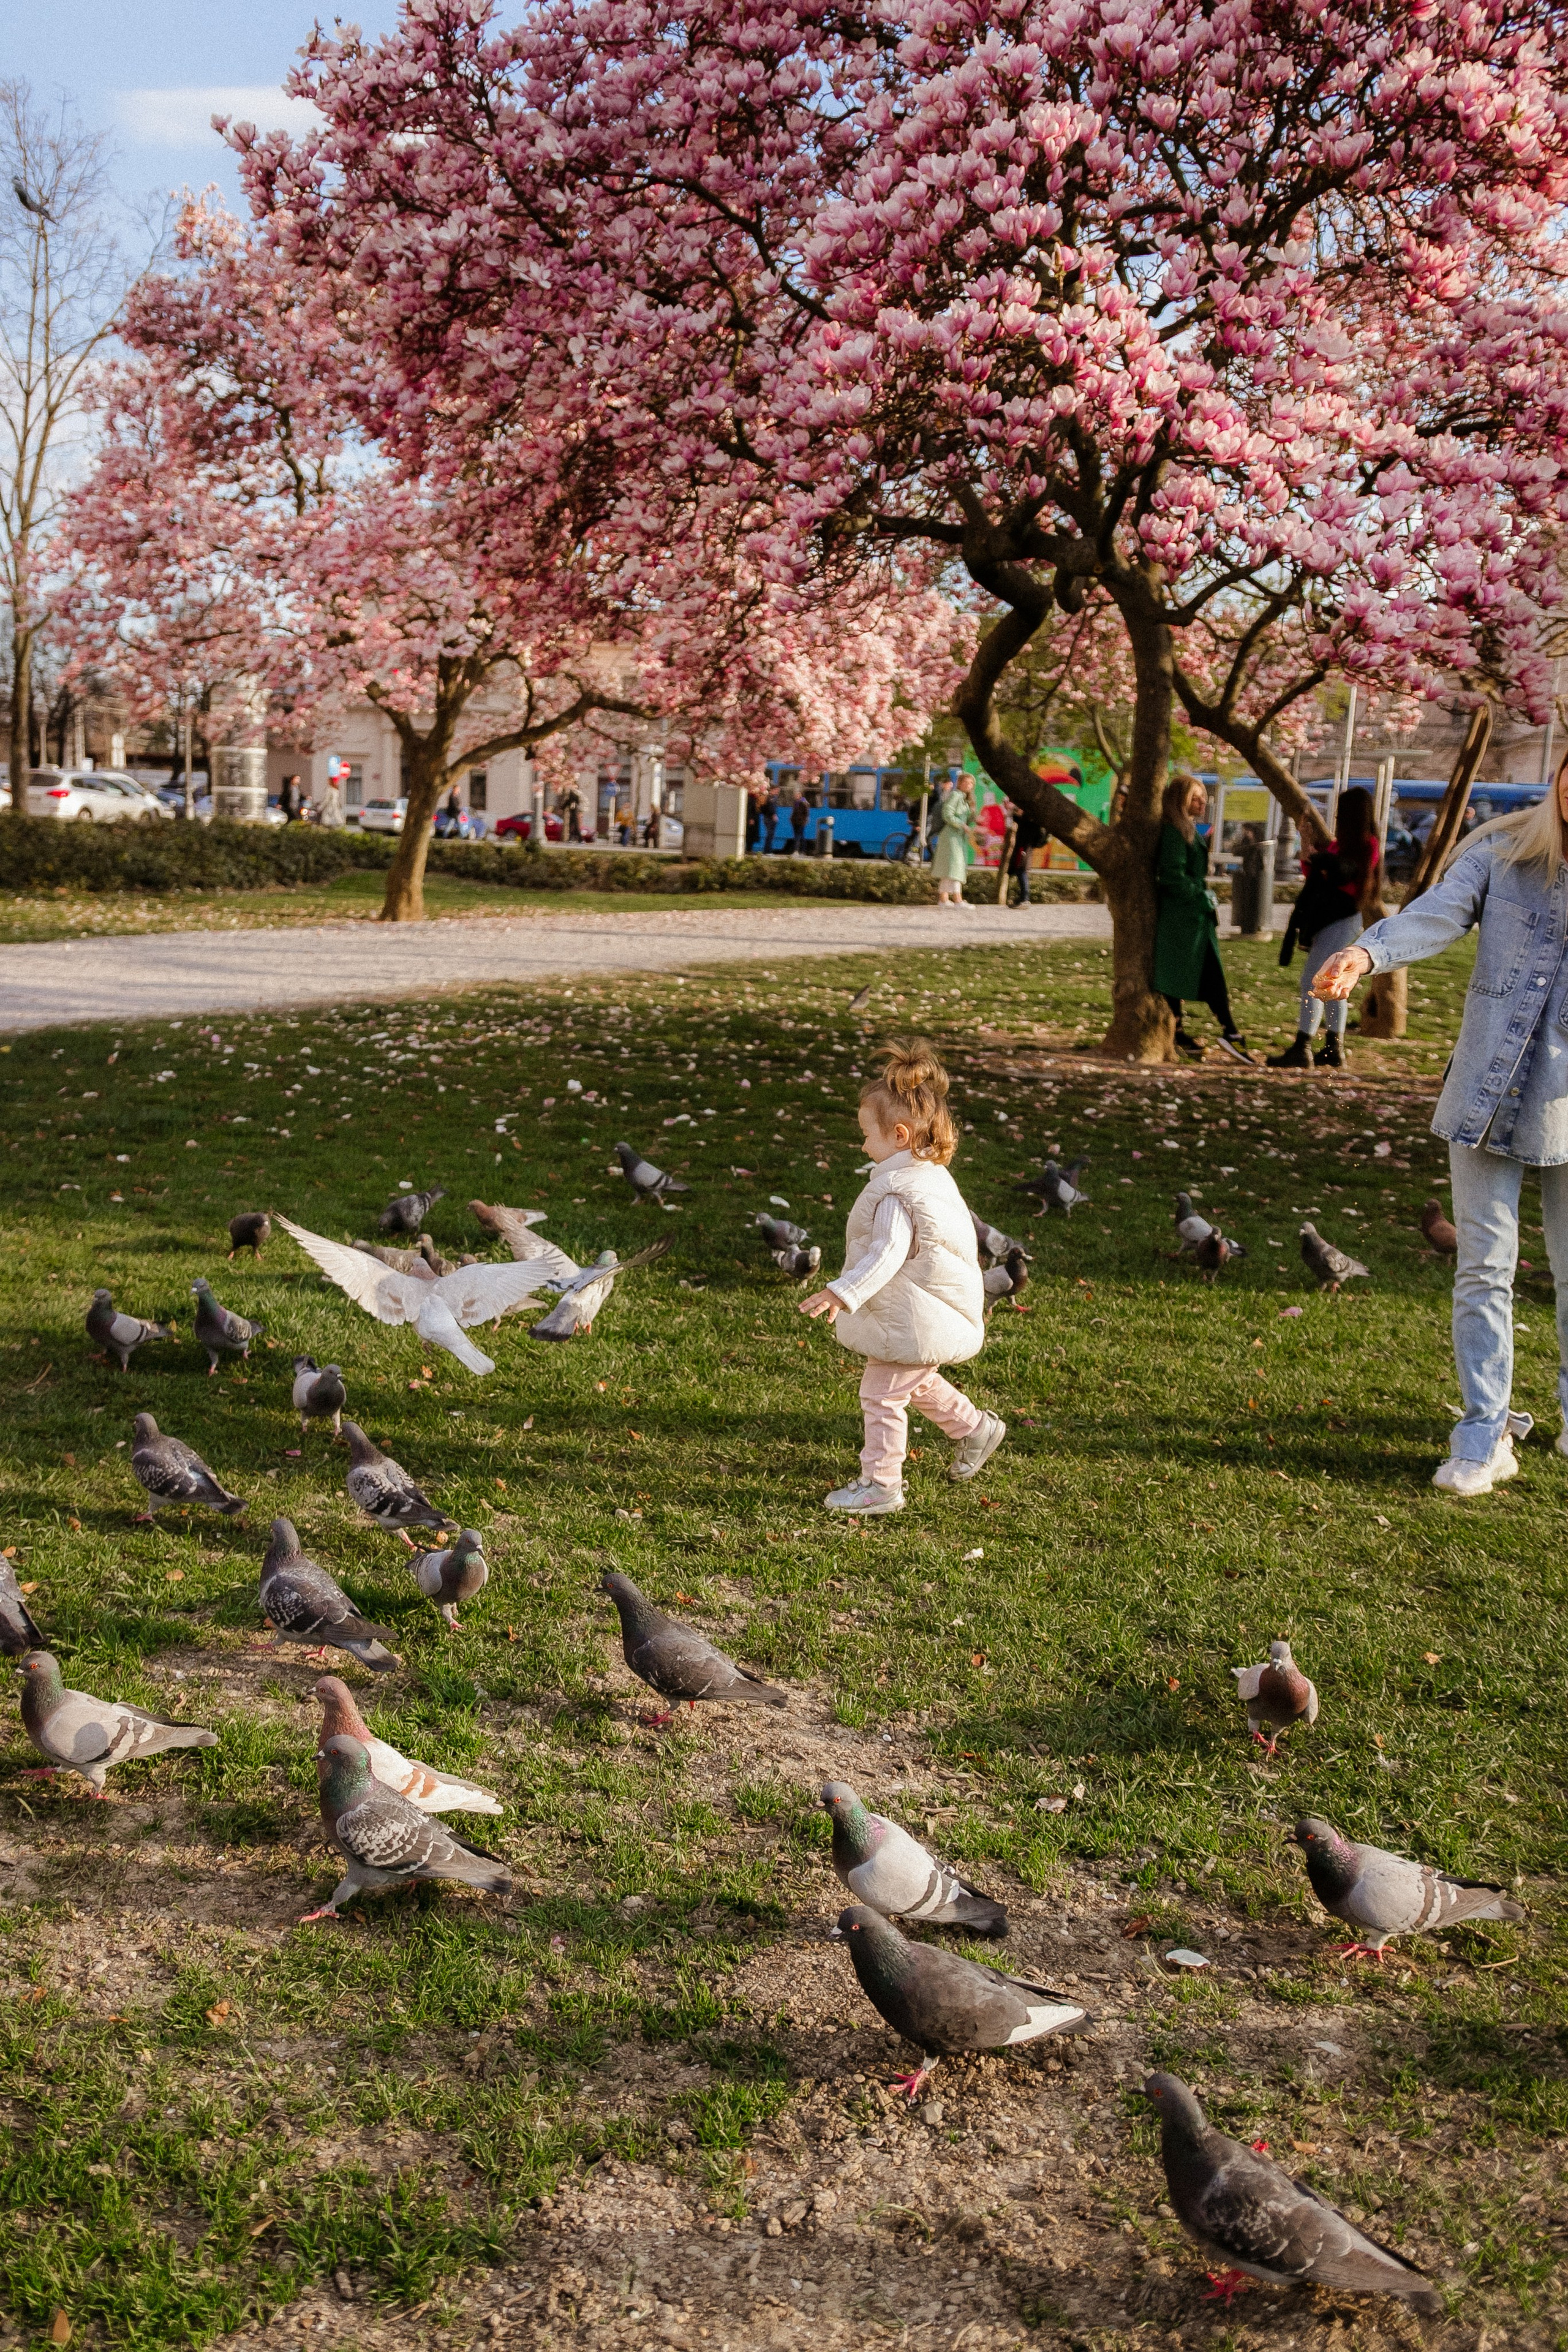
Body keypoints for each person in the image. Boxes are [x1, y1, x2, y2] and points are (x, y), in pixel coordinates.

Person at [1313, 753, 1568, 1498]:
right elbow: (1438, 912)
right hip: (1487, 1091)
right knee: (1483, 1264)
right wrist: (1366, 951)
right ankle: (1483, 1431)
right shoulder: (1502, 851)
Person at [798, 1039, 1000, 1515]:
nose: (863, 1143)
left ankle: (882, 1484)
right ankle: (975, 1428)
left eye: (868, 1134)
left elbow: (886, 1254)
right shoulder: (929, 1174)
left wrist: (840, 1292)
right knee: (913, 1378)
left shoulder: (895, 1193)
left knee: (880, 1395)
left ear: (902, 1136)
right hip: (921, 1313)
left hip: (912, 1313)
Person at [1269, 785, 1381, 1070]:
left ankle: (1303, 1046)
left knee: (1314, 982)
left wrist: (1321, 860)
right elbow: (1316, 871)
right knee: (1331, 983)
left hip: (1341, 919)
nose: (1335, 817)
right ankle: (1333, 1048)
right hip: (1328, 919)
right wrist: (1308, 845)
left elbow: (1341, 873)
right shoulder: (1340, 846)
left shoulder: (1366, 845)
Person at [1153, 775, 1254, 1063]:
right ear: (1181, 800)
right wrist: (1201, 896)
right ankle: (1217, 1032)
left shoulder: (1188, 829)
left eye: (1203, 799)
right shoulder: (1174, 831)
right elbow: (1172, 875)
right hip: (1182, 917)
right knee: (1185, 975)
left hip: (1194, 917)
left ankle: (1223, 1031)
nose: (1202, 804)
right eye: (1195, 798)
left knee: (1209, 975)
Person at [933, 776, 977, 907]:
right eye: (966, 782)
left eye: (971, 783)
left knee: (950, 867)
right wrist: (962, 825)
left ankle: (943, 899)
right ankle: (958, 900)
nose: (969, 785)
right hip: (952, 836)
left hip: (957, 836)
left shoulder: (964, 798)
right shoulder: (956, 796)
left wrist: (973, 817)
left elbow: (966, 818)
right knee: (955, 866)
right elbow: (947, 814)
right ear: (960, 783)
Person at [1006, 802, 1045, 907]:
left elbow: (1026, 825)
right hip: (1023, 846)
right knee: (1020, 870)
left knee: (1021, 870)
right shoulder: (1027, 818)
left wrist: (1019, 813)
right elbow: (1018, 820)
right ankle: (1023, 898)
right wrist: (1014, 812)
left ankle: (1025, 898)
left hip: (1024, 847)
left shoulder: (1031, 817)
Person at [789, 790, 810, 855]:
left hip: (800, 822)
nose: (797, 796)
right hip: (795, 822)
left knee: (799, 836)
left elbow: (806, 813)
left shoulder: (803, 803)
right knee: (799, 836)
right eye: (796, 795)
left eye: (798, 795)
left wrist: (804, 820)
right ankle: (801, 851)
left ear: (801, 795)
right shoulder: (796, 803)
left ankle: (797, 851)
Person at [760, 788, 780, 853]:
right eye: (776, 790)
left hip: (768, 818)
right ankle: (767, 851)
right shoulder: (771, 798)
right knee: (770, 834)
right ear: (772, 790)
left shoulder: (770, 798)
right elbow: (771, 808)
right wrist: (773, 815)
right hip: (769, 819)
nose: (778, 792)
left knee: (770, 835)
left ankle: (767, 850)